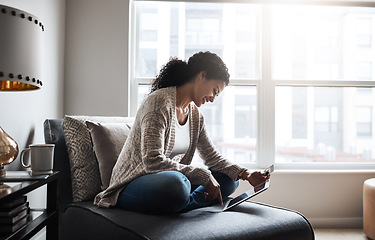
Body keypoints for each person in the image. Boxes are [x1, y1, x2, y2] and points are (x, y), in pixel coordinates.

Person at [94, 51, 269, 214]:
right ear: (202, 75)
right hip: (133, 184)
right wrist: (203, 176)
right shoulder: (158, 103)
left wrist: (245, 173)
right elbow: (152, 162)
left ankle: (183, 205)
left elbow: (212, 157)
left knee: (230, 179)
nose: (213, 98)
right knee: (177, 185)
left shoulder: (195, 117)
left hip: (170, 181)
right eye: (214, 90)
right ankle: (187, 203)